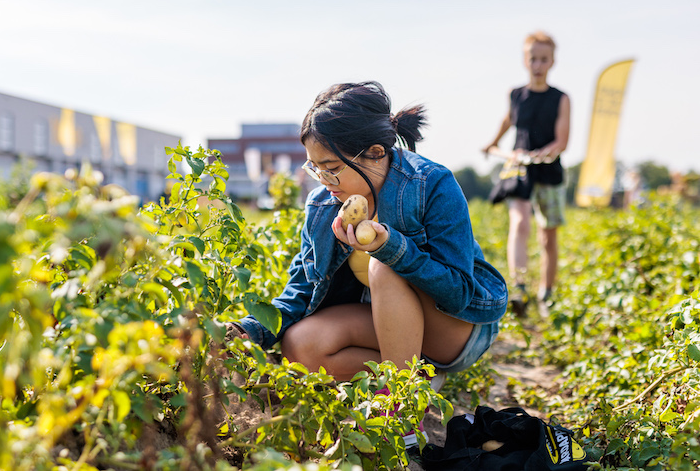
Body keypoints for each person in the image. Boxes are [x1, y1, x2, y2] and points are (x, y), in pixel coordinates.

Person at [231, 81, 508, 444]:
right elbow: (299, 292)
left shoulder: (431, 183)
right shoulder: (322, 205)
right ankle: (417, 379)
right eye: (316, 169)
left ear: (376, 152)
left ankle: (401, 406)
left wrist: (392, 247)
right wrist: (248, 331)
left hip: (456, 327)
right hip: (389, 324)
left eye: (331, 168)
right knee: (300, 346)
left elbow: (458, 292)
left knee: (384, 265)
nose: (325, 182)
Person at [482, 31, 571, 316]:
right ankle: (519, 288)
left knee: (548, 237)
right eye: (533, 58)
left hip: (548, 171)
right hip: (518, 171)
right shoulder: (516, 95)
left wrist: (542, 154)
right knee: (519, 224)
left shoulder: (561, 98)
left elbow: (562, 141)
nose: (538, 65)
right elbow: (508, 120)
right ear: (525, 60)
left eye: (544, 59)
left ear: (552, 61)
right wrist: (493, 142)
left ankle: (546, 294)